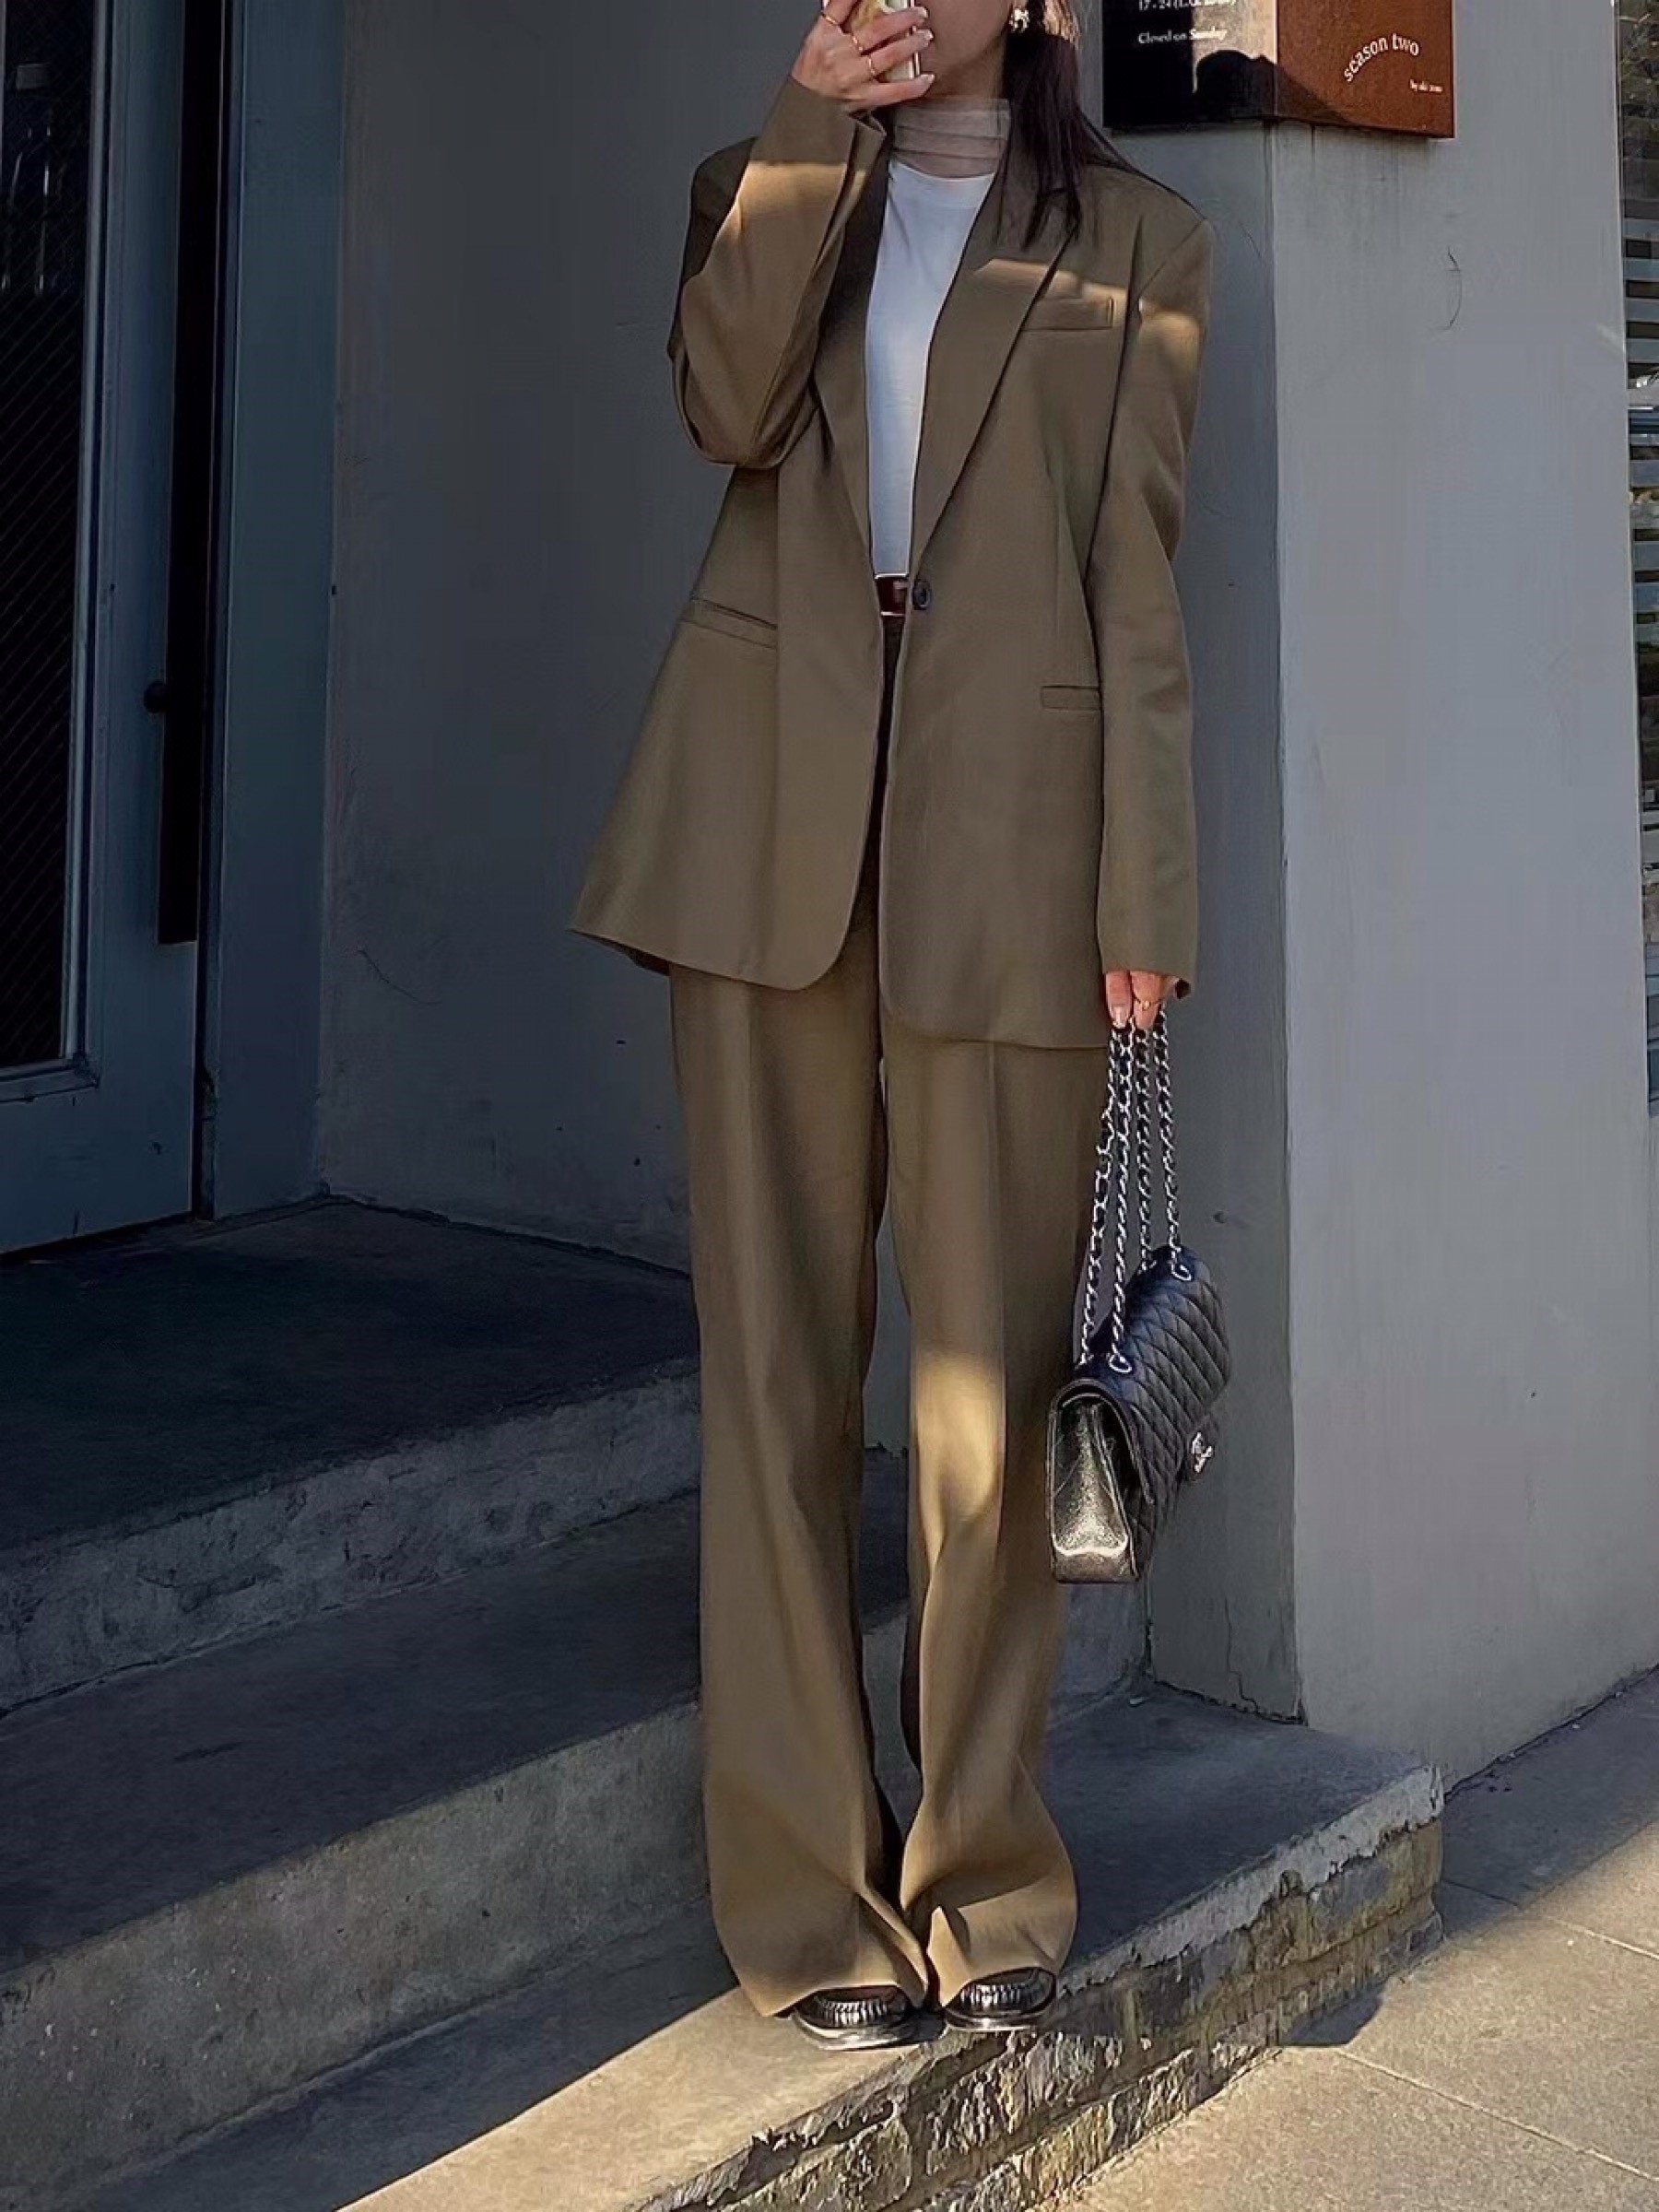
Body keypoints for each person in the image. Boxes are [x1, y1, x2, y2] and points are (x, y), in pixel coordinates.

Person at [573, 0, 1214, 2050]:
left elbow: (1139, 584)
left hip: (1013, 852)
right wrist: (809, 124)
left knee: (986, 1399)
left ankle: (988, 1876)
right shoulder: (757, 186)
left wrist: (1145, 890)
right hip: (763, 829)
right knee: (771, 1377)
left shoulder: (1141, 242)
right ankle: (803, 1897)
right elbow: (724, 408)